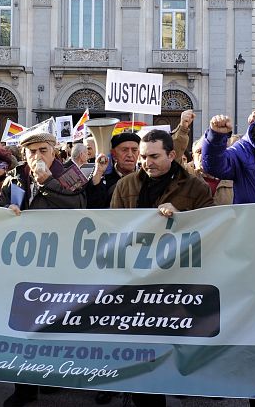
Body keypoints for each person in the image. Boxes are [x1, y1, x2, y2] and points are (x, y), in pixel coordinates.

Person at [111, 129, 214, 407]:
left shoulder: (195, 188)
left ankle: (179, 384)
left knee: (174, 342)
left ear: (172, 155)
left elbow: (212, 230)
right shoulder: (125, 186)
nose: (146, 162)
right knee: (141, 350)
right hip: (138, 281)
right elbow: (114, 230)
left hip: (178, 282)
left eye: (154, 156)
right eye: (143, 157)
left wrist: (180, 220)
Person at [0, 130, 86, 407]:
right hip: (23, 263)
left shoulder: (70, 175)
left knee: (54, 323)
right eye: (31, 151)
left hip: (59, 262)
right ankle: (24, 388)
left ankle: (50, 376)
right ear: (24, 154)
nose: (37, 156)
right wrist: (6, 209)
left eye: (43, 151)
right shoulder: (14, 177)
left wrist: (48, 183)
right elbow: (2, 207)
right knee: (22, 326)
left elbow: (79, 206)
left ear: (54, 151)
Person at [86, 132, 141, 209]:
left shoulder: (146, 178)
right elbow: (93, 206)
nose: (130, 155)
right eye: (124, 150)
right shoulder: (104, 179)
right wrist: (98, 172)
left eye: (134, 150)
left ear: (138, 153)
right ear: (113, 154)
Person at [186, 136, 234, 205]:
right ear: (193, 157)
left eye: (208, 151)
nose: (203, 156)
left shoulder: (233, 177)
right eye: (199, 152)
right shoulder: (185, 174)